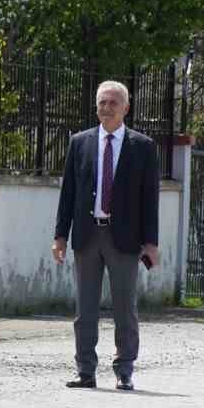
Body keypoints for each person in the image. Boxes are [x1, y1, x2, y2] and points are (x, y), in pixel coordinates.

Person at [52, 80, 160, 391]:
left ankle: (124, 370)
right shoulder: (80, 143)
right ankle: (85, 370)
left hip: (124, 238)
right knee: (85, 309)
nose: (107, 108)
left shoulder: (143, 146)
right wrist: (60, 236)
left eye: (113, 103)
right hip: (87, 235)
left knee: (124, 308)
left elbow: (149, 198)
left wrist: (151, 243)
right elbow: (68, 193)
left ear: (126, 108)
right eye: (102, 102)